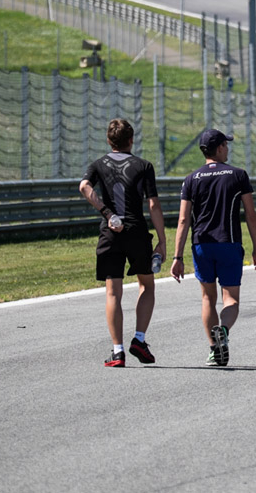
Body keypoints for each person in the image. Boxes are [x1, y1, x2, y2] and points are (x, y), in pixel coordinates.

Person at [171, 129, 256, 367]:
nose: (229, 148)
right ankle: (223, 329)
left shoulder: (191, 179)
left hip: (201, 245)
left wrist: (177, 256)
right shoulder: (238, 175)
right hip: (229, 243)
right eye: (227, 144)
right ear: (220, 147)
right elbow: (251, 216)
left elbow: (183, 220)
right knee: (231, 300)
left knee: (207, 298)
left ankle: (214, 349)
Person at [78, 118, 166, 367]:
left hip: (110, 232)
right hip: (137, 231)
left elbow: (84, 186)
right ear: (131, 140)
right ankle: (139, 339)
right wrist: (162, 240)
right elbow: (153, 205)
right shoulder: (144, 165)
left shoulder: (98, 164)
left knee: (113, 292)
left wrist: (107, 213)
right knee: (146, 285)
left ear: (108, 140)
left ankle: (117, 352)